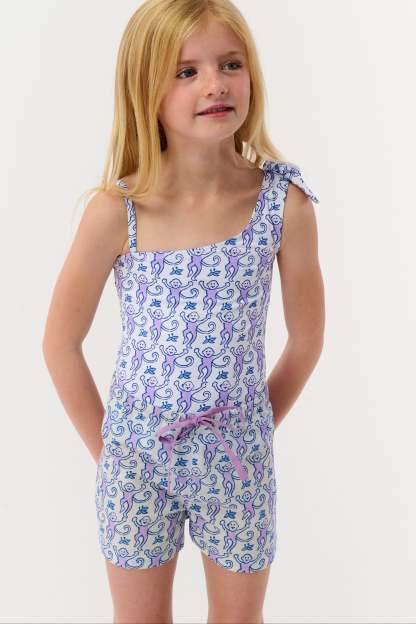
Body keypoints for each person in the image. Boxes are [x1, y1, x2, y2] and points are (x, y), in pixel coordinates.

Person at [42, 1, 325, 622]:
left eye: (231, 64)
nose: (215, 84)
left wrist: (250, 430)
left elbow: (306, 341)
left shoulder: (285, 204)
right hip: (136, 460)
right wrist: (112, 453)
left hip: (237, 462)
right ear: (145, 89)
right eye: (186, 71)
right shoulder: (116, 211)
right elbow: (60, 343)